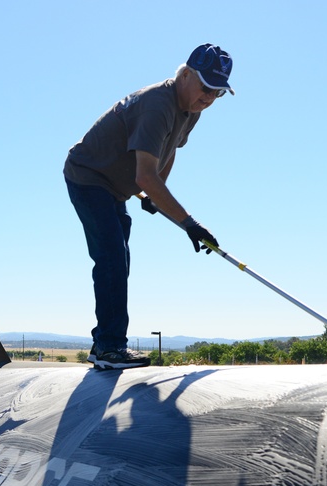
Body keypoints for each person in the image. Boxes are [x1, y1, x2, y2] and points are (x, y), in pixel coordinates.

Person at [64, 43, 233, 370]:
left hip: (114, 187)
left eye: (219, 92)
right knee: (111, 255)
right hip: (89, 176)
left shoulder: (191, 110)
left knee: (120, 257)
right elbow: (144, 174)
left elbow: (168, 151)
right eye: (206, 87)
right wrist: (188, 222)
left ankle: (104, 341)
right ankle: (109, 348)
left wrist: (155, 195)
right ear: (185, 75)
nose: (210, 97)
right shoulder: (158, 105)